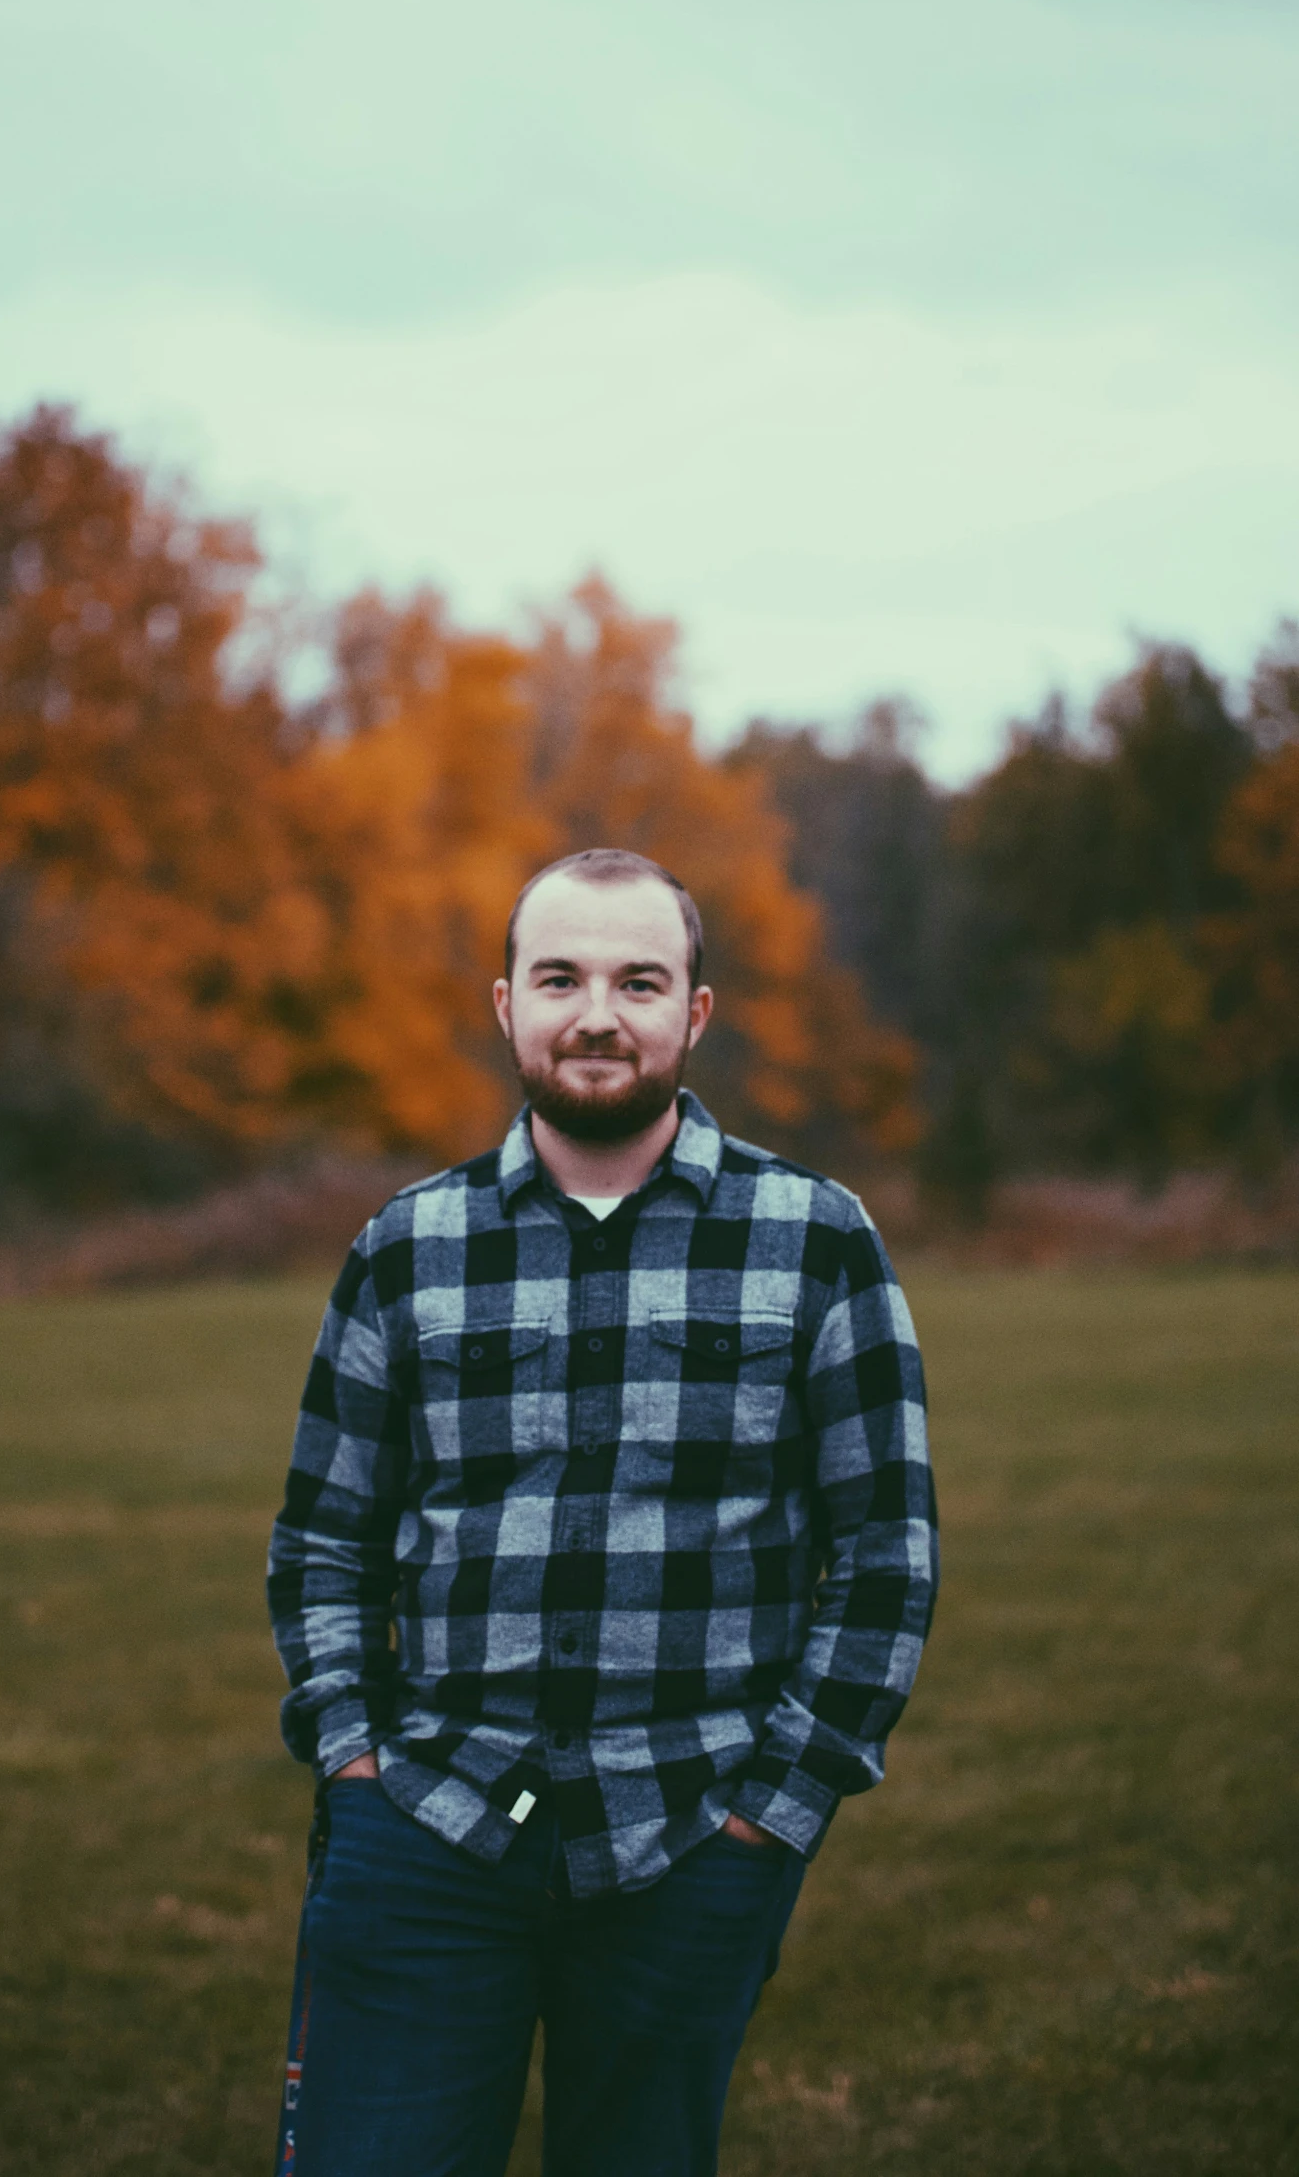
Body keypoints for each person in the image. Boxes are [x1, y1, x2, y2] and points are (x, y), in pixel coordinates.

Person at [267, 848, 938, 2177]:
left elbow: (882, 1561)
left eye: (639, 979)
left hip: (690, 1833)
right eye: (559, 975)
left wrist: (772, 1811)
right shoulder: (407, 1243)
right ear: (502, 1003)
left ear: (694, 1012)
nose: (595, 1013)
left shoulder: (814, 1238)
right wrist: (354, 1760)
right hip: (428, 1824)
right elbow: (324, 1539)